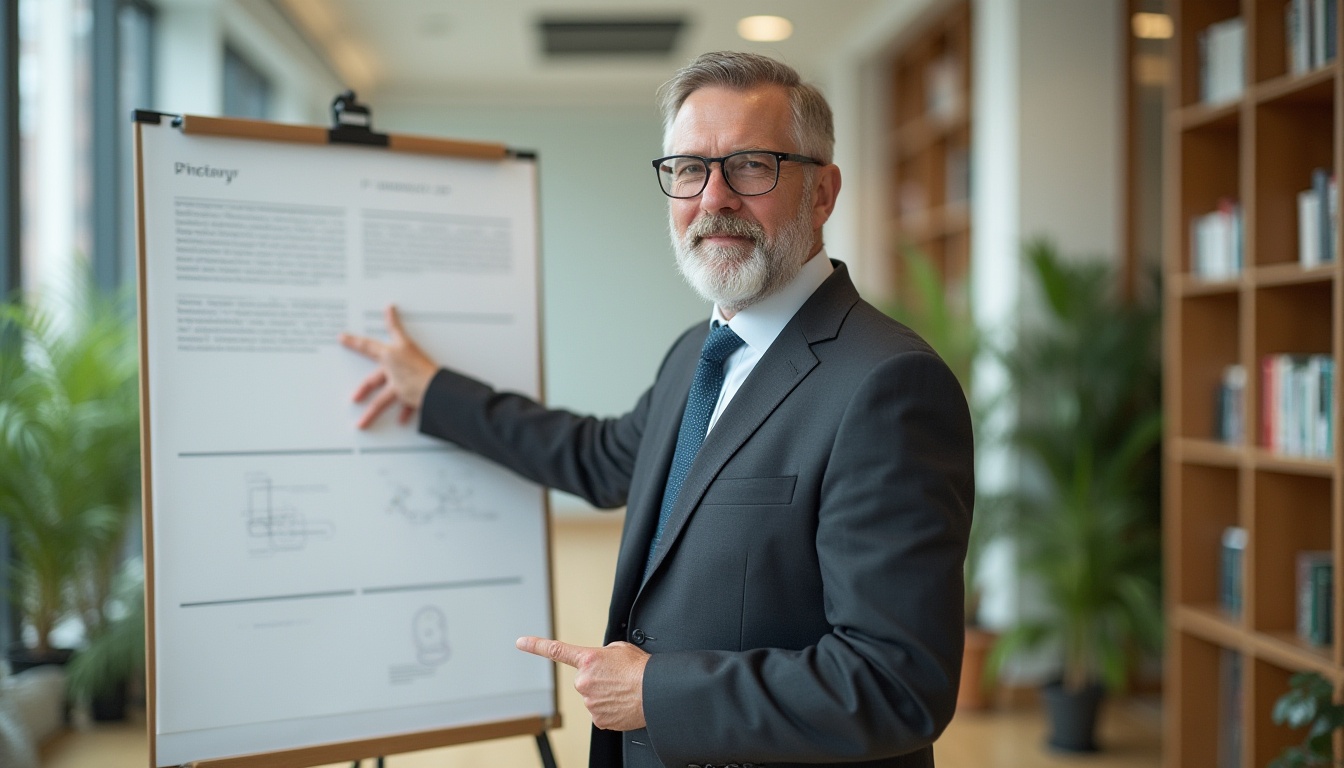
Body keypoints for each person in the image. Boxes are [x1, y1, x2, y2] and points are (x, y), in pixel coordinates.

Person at [340, 51, 974, 768]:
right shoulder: (698, 354)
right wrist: (437, 393)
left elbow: (899, 683)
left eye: (752, 166)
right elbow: (601, 457)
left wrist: (658, 693)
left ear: (822, 192)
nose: (714, 198)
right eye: (687, 169)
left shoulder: (889, 386)